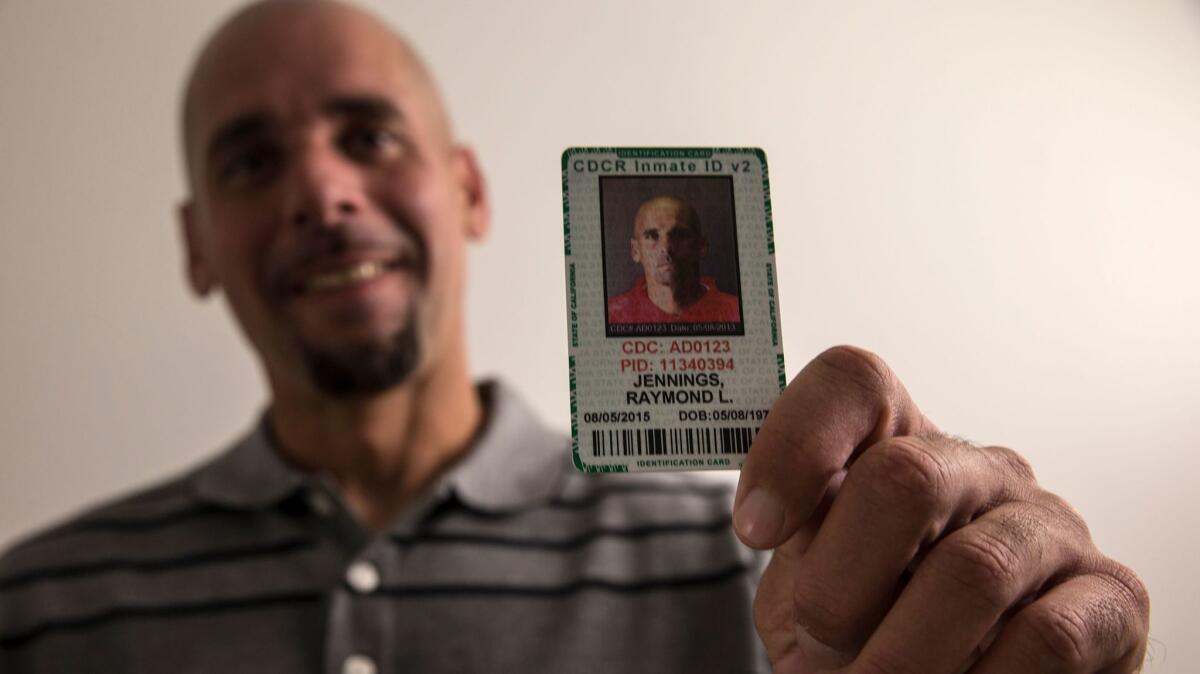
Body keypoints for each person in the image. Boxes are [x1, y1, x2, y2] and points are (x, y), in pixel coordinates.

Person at [0, 1, 1149, 672]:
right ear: (197, 244)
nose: (320, 188)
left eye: (371, 135)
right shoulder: (36, 606)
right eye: (252, 161)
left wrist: (985, 605)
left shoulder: (773, 578)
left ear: (470, 194)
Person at [607, 195, 741, 325]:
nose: (665, 248)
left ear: (701, 246)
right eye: (652, 236)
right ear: (635, 251)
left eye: (679, 235)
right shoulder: (611, 315)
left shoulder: (736, 312)